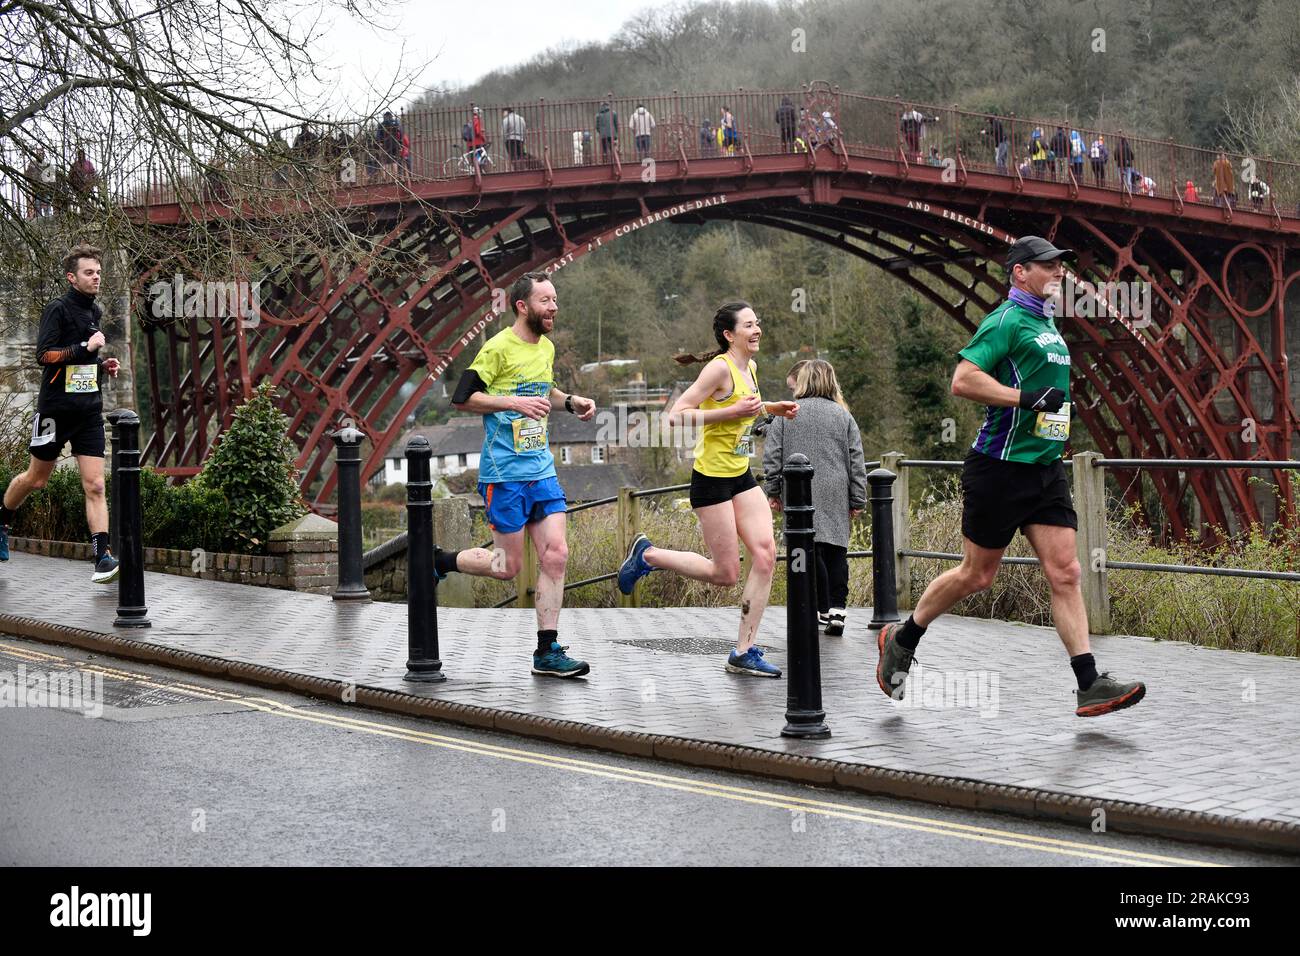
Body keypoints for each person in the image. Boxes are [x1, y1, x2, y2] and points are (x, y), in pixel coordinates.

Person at [875, 235, 1147, 718]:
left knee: (1067, 572)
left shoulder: (1046, 322)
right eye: (1048, 265)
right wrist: (1026, 400)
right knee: (977, 575)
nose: (1059, 272)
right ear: (1020, 272)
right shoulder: (1005, 320)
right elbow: (963, 379)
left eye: (1060, 265)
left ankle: (1089, 683)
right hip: (999, 469)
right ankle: (904, 635)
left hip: (1044, 469)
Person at [617, 302, 799, 677]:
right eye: (749, 325)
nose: (757, 329)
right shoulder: (719, 367)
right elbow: (677, 414)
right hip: (712, 480)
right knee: (725, 574)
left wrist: (770, 408)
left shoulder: (751, 366)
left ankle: (743, 651)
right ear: (729, 335)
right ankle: (648, 556)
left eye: (758, 323)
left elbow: (743, 408)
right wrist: (730, 414)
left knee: (765, 556)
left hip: (741, 475)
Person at [447, 271, 598, 678]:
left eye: (555, 300)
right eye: (546, 300)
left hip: (541, 470)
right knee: (506, 567)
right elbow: (462, 399)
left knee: (557, 554)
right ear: (522, 306)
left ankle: (546, 651)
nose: (554, 307)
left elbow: (543, 390)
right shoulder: (497, 348)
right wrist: (511, 403)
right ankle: (441, 560)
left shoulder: (546, 348)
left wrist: (571, 401)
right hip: (504, 473)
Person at [0, 244, 122, 582]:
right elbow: (45, 356)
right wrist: (85, 348)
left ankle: (102, 556)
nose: (96, 276)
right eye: (88, 272)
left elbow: (80, 363)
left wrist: (100, 366)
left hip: (87, 412)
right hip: (55, 411)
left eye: (98, 272)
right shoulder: (57, 309)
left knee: (96, 484)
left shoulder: (94, 312)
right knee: (36, 480)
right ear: (72, 277)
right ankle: (2, 518)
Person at [762, 360, 867, 637]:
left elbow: (772, 455)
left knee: (811, 549)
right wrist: (857, 497)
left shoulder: (787, 414)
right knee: (836, 551)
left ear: (804, 381)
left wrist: (773, 490)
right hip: (836, 488)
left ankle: (820, 608)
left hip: (799, 489)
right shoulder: (843, 416)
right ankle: (837, 609)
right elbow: (856, 459)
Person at [375, 111, 403, 180]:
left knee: (384, 162)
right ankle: (395, 177)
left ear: (384, 117)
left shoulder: (381, 124)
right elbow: (400, 134)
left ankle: (385, 178)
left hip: (385, 144)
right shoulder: (395, 123)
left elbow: (378, 136)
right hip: (395, 143)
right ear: (391, 116)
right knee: (394, 161)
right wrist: (400, 144)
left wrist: (380, 142)